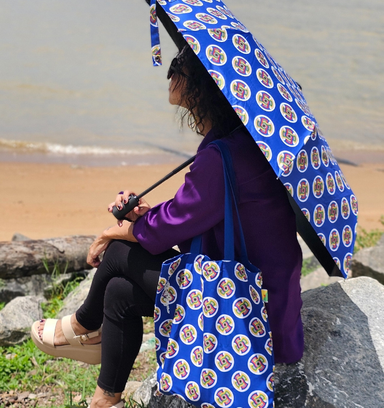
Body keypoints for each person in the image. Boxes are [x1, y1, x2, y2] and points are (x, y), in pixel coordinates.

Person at [31, 44, 304, 408]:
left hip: (244, 313)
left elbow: (167, 230)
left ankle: (82, 327)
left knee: (119, 252)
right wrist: (143, 215)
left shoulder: (222, 157)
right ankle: (104, 399)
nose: (169, 74)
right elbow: (192, 214)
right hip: (263, 297)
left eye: (178, 66)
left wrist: (113, 231)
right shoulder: (240, 144)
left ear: (203, 87)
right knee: (118, 293)